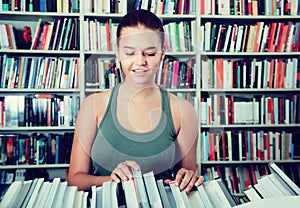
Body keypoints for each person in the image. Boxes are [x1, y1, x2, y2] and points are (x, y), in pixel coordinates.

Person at [68, 9, 203, 194]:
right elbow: (75, 179)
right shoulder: (93, 105)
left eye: (150, 53)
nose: (140, 62)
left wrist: (188, 178)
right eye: (130, 53)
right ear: (117, 52)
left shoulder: (184, 111)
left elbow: (186, 173)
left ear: (162, 54)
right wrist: (112, 180)